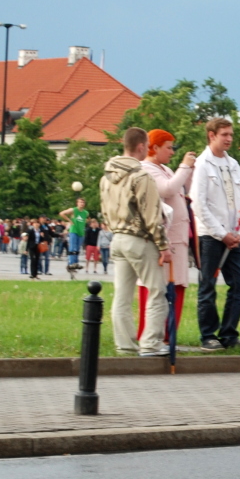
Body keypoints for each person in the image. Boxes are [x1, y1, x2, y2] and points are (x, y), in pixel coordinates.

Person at [101, 127, 172, 356]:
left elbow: (104, 210)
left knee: (122, 295)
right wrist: (163, 246)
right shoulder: (141, 176)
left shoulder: (107, 177)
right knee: (155, 291)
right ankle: (151, 343)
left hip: (117, 237)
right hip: (139, 239)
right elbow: (151, 214)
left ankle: (124, 344)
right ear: (141, 147)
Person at [191, 117, 240, 351]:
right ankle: (208, 335)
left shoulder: (233, 164)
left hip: (233, 236)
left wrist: (239, 231)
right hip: (210, 236)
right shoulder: (202, 165)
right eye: (224, 134)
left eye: (231, 134)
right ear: (212, 135)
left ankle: (229, 333)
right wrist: (220, 233)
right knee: (208, 285)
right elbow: (199, 204)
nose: (229, 139)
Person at [136, 129, 197, 347]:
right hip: (164, 239)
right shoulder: (147, 169)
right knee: (158, 287)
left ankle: (170, 333)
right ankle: (153, 333)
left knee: (178, 285)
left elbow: (185, 189)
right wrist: (184, 167)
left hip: (178, 238)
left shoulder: (166, 168)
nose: (172, 152)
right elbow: (167, 190)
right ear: (154, 148)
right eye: (169, 147)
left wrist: (189, 171)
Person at [59, 198, 89, 272]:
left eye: (83, 202)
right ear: (77, 203)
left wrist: (83, 224)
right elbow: (62, 213)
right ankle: (71, 263)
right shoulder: (74, 210)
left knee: (77, 249)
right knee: (73, 248)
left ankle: (75, 263)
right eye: (80, 202)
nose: (82, 204)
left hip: (81, 232)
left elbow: (87, 219)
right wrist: (70, 221)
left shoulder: (86, 213)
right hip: (74, 231)